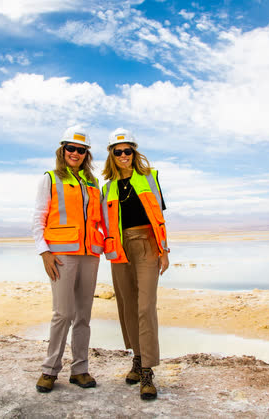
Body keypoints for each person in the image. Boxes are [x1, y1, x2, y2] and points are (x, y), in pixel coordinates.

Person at [32, 125, 104, 393]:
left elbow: (100, 220)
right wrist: (44, 251)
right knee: (63, 313)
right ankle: (50, 370)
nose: (75, 153)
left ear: (87, 154)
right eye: (71, 148)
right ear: (62, 151)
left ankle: (80, 369)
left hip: (89, 255)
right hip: (61, 255)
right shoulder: (50, 179)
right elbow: (38, 217)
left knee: (83, 315)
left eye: (81, 150)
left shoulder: (92, 183)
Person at [101, 128, 169, 400]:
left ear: (134, 152)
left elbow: (159, 218)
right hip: (119, 249)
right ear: (111, 155)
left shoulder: (150, 177)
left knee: (145, 306)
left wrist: (164, 250)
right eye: (118, 152)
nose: (123, 156)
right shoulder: (106, 187)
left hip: (147, 244)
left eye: (127, 151)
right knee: (127, 306)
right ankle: (137, 359)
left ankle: (148, 372)